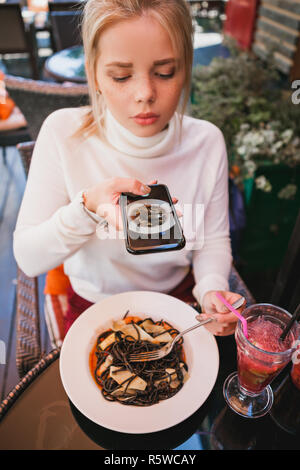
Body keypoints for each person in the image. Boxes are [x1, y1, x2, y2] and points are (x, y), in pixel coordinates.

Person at [13, 0, 243, 337]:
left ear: (186, 68)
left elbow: (211, 242)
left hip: (178, 301)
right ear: (94, 74)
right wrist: (87, 208)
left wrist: (210, 288)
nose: (145, 94)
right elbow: (29, 258)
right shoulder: (63, 133)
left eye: (165, 72)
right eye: (121, 76)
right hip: (93, 305)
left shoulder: (206, 142)